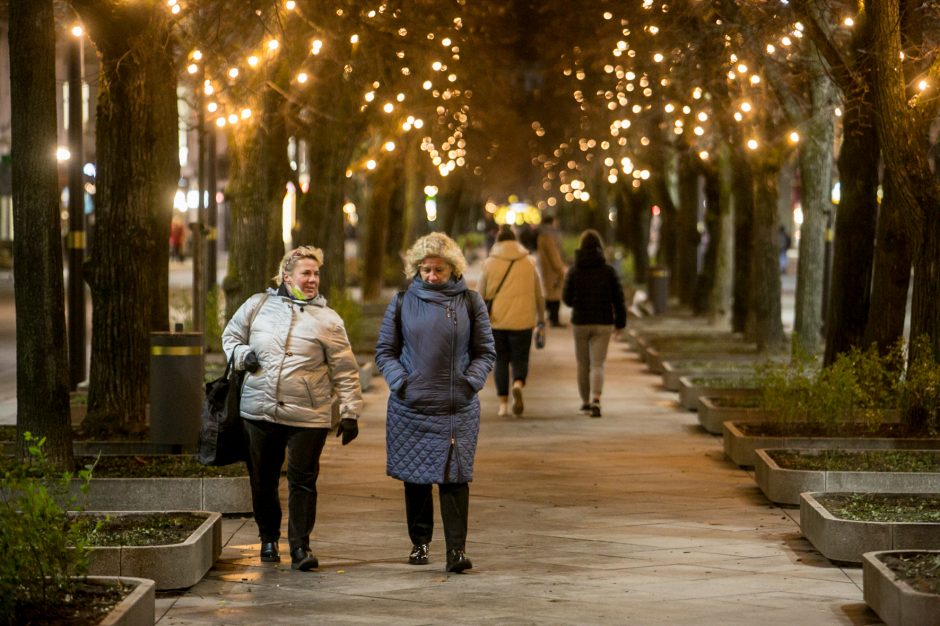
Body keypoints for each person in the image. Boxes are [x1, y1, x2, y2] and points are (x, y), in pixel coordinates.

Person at [222, 246, 363, 572]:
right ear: (287, 277)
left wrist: (349, 412)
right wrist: (243, 355)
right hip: (260, 409)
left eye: (316, 274)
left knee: (303, 481)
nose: (313, 279)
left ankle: (300, 546)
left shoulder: (329, 320)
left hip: (308, 414)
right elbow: (230, 337)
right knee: (263, 479)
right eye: (306, 273)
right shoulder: (257, 306)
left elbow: (344, 369)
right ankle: (268, 537)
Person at [375, 232, 495, 573]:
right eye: (425, 269)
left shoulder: (471, 302)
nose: (431, 276)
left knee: (455, 479)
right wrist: (401, 382)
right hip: (410, 406)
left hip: (457, 408)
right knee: (415, 480)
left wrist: (470, 381)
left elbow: (486, 351)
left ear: (453, 269)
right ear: (416, 269)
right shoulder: (401, 302)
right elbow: (385, 351)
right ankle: (419, 543)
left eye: (438, 270)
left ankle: (456, 550)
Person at [478, 224, 545, 417]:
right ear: (516, 242)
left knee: (500, 361)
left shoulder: (489, 263)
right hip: (523, 321)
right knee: (520, 358)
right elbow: (538, 294)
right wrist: (541, 319)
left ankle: (503, 405)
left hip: (496, 321)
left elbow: (480, 295)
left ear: (497, 241)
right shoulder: (529, 262)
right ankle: (518, 384)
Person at [562, 230, 627, 418]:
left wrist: (578, 302)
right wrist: (620, 323)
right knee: (598, 364)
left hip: (581, 322)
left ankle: (584, 401)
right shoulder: (608, 271)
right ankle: (596, 399)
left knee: (583, 364)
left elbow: (566, 298)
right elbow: (619, 299)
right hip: (603, 322)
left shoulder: (575, 270)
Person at [537, 215, 567, 327]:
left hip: (546, 269)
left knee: (550, 294)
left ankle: (551, 317)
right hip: (553, 271)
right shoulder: (549, 237)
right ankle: (554, 320)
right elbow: (554, 256)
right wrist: (561, 268)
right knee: (555, 295)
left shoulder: (541, 236)